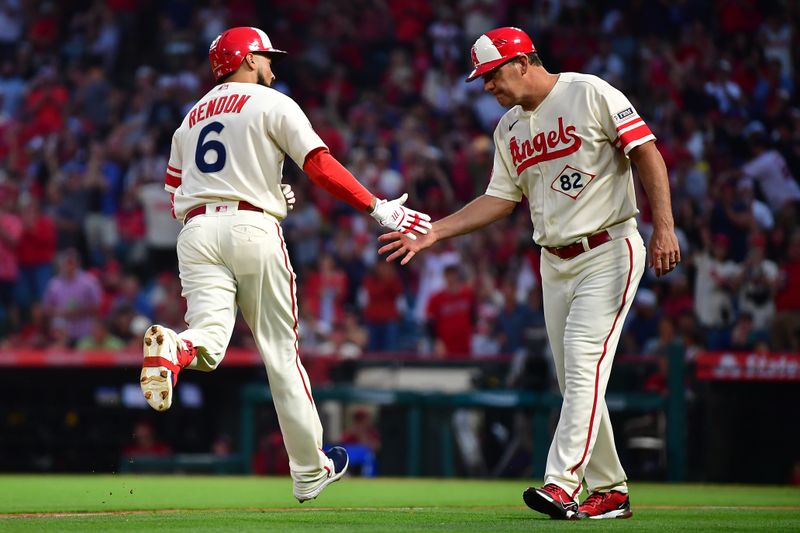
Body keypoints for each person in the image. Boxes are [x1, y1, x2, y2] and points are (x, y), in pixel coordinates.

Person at [379, 27, 680, 520]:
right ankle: (611, 490)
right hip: (553, 261)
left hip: (609, 247)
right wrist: (436, 231)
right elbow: (500, 198)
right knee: (576, 381)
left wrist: (664, 227)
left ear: (522, 63)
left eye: (491, 74)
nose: (486, 87)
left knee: (584, 364)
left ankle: (561, 483)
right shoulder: (508, 129)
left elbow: (646, 151)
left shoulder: (589, 92)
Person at [139, 27, 431, 504]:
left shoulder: (189, 119)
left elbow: (175, 198)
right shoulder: (272, 103)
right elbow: (319, 164)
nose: (272, 66)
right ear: (247, 58)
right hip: (252, 231)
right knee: (280, 350)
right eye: (266, 57)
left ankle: (175, 347)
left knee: (210, 336)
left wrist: (262, 194)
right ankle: (310, 469)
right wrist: (378, 207)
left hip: (194, 231)